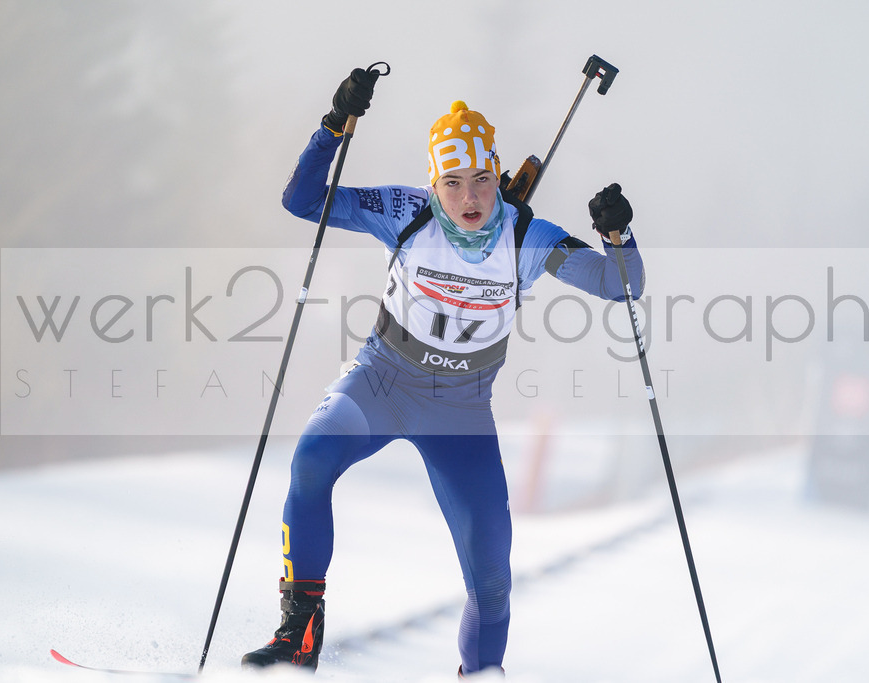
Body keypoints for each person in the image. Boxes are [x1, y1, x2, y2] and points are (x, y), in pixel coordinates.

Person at [242, 66, 645, 677]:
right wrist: (334, 125)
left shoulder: (527, 236)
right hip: (382, 383)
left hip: (460, 413)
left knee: (492, 574)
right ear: (434, 184)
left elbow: (623, 285)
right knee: (311, 460)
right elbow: (301, 201)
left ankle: (482, 674)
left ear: (499, 176)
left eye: (483, 180)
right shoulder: (404, 211)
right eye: (453, 183)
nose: (470, 198)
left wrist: (619, 234)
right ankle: (297, 637)